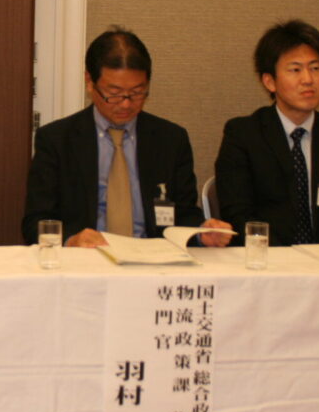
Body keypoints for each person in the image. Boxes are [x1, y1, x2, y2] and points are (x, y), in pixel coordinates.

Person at [22, 27, 232, 247]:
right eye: (114, 93)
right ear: (89, 82)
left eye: (137, 93)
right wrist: (71, 240)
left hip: (152, 258)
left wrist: (201, 232)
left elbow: (184, 214)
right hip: (87, 258)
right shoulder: (56, 140)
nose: (125, 104)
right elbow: (35, 222)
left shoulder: (170, 140)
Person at [214, 20, 319, 246]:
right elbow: (238, 213)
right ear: (270, 81)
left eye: (315, 68)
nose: (308, 79)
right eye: (295, 70)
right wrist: (288, 259)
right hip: (268, 258)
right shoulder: (243, 135)